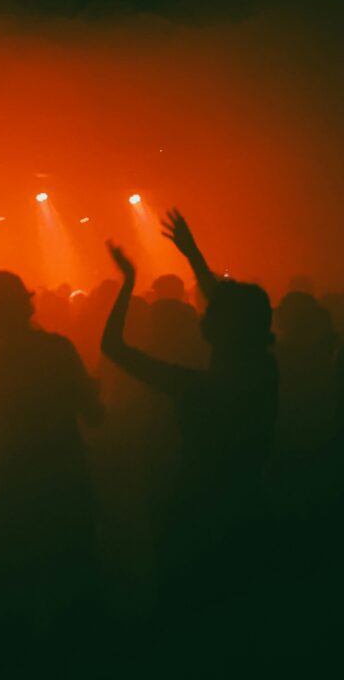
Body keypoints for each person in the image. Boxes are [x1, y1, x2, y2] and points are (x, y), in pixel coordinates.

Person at [101, 209, 278, 660]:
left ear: (222, 329)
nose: (205, 311)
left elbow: (113, 348)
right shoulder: (264, 367)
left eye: (213, 314)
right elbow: (228, 303)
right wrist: (193, 256)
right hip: (252, 507)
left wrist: (127, 284)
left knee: (188, 630)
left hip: (198, 511)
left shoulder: (201, 389)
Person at [0, 270, 102, 671]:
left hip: (14, 488)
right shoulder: (59, 350)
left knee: (15, 600)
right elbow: (94, 416)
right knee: (72, 595)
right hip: (65, 479)